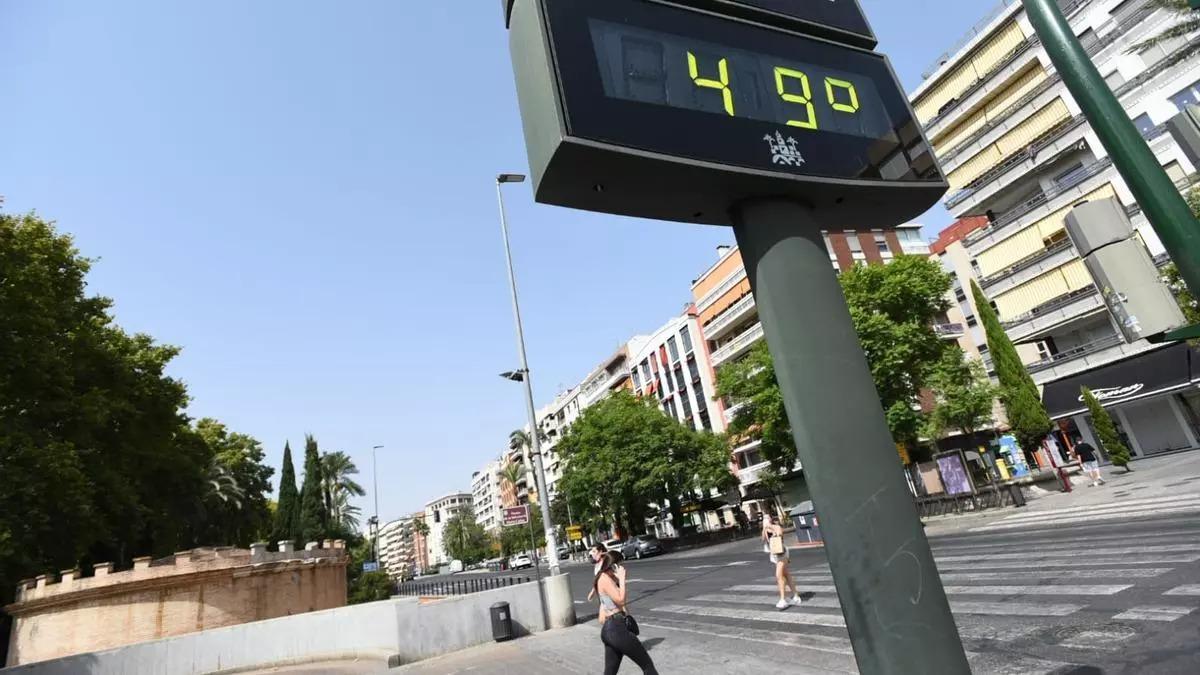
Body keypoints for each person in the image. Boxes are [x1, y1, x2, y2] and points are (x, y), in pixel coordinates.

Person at [595, 552, 658, 675]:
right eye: (620, 565)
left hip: (611, 629)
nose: (622, 568)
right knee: (648, 666)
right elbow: (620, 600)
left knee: (610, 672)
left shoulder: (606, 578)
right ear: (613, 566)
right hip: (617, 629)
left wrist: (618, 580)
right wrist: (622, 579)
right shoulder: (605, 579)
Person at [762, 513, 802, 610]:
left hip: (782, 553)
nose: (765, 519)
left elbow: (779, 535)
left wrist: (770, 526)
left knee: (779, 575)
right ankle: (796, 596)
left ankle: (783, 599)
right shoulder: (765, 530)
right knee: (786, 574)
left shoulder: (776, 526)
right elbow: (763, 540)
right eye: (764, 518)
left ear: (770, 519)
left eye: (767, 517)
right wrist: (764, 529)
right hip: (774, 555)